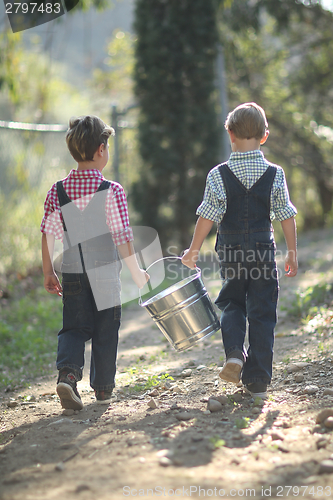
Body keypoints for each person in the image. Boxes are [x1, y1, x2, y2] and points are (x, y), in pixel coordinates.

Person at [182, 102, 297, 399]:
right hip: (262, 251)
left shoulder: (218, 175)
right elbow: (285, 214)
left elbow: (207, 216)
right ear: (265, 136)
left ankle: (234, 353)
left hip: (232, 249)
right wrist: (292, 252)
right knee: (262, 311)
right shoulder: (275, 173)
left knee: (232, 302)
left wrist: (193, 251)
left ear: (230, 134)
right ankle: (257, 380)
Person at [41, 115, 149, 410]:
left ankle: (69, 374)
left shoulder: (57, 190)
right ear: (101, 149)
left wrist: (48, 270)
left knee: (74, 327)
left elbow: (48, 233)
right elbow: (123, 237)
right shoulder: (112, 190)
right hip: (104, 272)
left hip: (73, 270)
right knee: (105, 327)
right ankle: (102, 388)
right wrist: (137, 272)